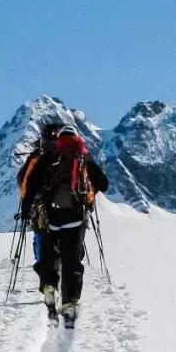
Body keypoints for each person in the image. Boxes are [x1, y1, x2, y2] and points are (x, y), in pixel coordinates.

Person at [19, 126, 109, 326]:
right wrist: (89, 196)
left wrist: (26, 210)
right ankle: (70, 303)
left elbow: (31, 185)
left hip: (53, 219)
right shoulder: (83, 157)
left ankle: (49, 285)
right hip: (76, 219)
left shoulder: (49, 157)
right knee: (72, 261)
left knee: (49, 254)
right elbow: (104, 183)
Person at [16, 122, 64, 273]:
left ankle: (44, 264)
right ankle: (61, 262)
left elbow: (23, 180)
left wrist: (26, 203)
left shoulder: (35, 157)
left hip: (39, 204)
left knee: (41, 234)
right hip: (62, 204)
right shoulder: (66, 155)